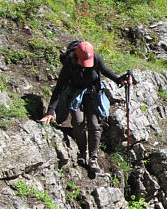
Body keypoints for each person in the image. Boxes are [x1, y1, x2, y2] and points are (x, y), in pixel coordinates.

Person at [39, 40, 131, 174]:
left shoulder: (95, 58)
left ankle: (93, 159)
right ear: (76, 57)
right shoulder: (69, 64)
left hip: (93, 93)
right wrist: (50, 111)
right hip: (75, 94)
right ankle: (83, 152)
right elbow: (59, 88)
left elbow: (105, 71)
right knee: (78, 123)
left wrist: (119, 80)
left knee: (94, 125)